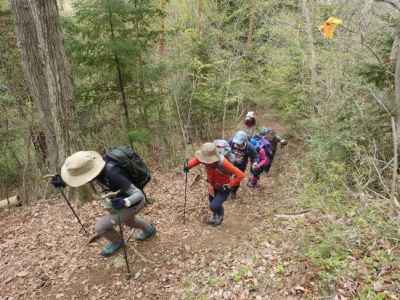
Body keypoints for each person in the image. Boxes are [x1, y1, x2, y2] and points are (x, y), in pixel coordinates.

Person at [51, 150, 156, 257]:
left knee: (101, 227)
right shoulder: (99, 166)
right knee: (129, 221)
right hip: (122, 199)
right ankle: (149, 229)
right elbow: (84, 175)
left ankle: (117, 242)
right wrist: (65, 181)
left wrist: (125, 202)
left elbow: (139, 195)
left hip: (133, 201)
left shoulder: (113, 174)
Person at [184, 143, 244, 226]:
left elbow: (240, 175)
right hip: (212, 185)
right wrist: (188, 166)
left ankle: (220, 216)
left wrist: (230, 185)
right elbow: (196, 160)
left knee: (214, 206)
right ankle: (215, 216)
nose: (205, 162)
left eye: (207, 160)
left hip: (224, 187)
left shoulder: (223, 163)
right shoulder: (204, 158)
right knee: (212, 202)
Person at [229, 131, 258, 198]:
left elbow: (255, 156)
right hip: (230, 163)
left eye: (239, 143)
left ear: (244, 141)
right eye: (236, 142)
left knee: (238, 178)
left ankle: (233, 191)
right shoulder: (231, 142)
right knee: (227, 176)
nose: (237, 144)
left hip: (241, 165)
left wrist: (254, 163)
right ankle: (226, 190)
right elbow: (225, 148)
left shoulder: (249, 147)